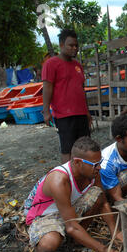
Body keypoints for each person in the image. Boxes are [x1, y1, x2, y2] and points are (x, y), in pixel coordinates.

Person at [24, 137, 123, 252]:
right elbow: (71, 226)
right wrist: (104, 250)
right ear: (77, 162)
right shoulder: (59, 180)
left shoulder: (93, 173)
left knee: (97, 194)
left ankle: (76, 241)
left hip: (67, 208)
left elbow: (103, 202)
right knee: (49, 244)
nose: (99, 167)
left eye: (100, 162)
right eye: (95, 164)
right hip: (44, 215)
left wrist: (115, 232)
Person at [42, 29, 92, 164]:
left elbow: (82, 90)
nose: (74, 48)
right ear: (61, 45)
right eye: (71, 45)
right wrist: (46, 112)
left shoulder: (78, 66)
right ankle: (67, 178)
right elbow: (47, 88)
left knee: (85, 148)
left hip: (81, 114)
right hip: (64, 115)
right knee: (67, 149)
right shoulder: (51, 64)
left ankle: (84, 178)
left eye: (76, 45)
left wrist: (87, 112)